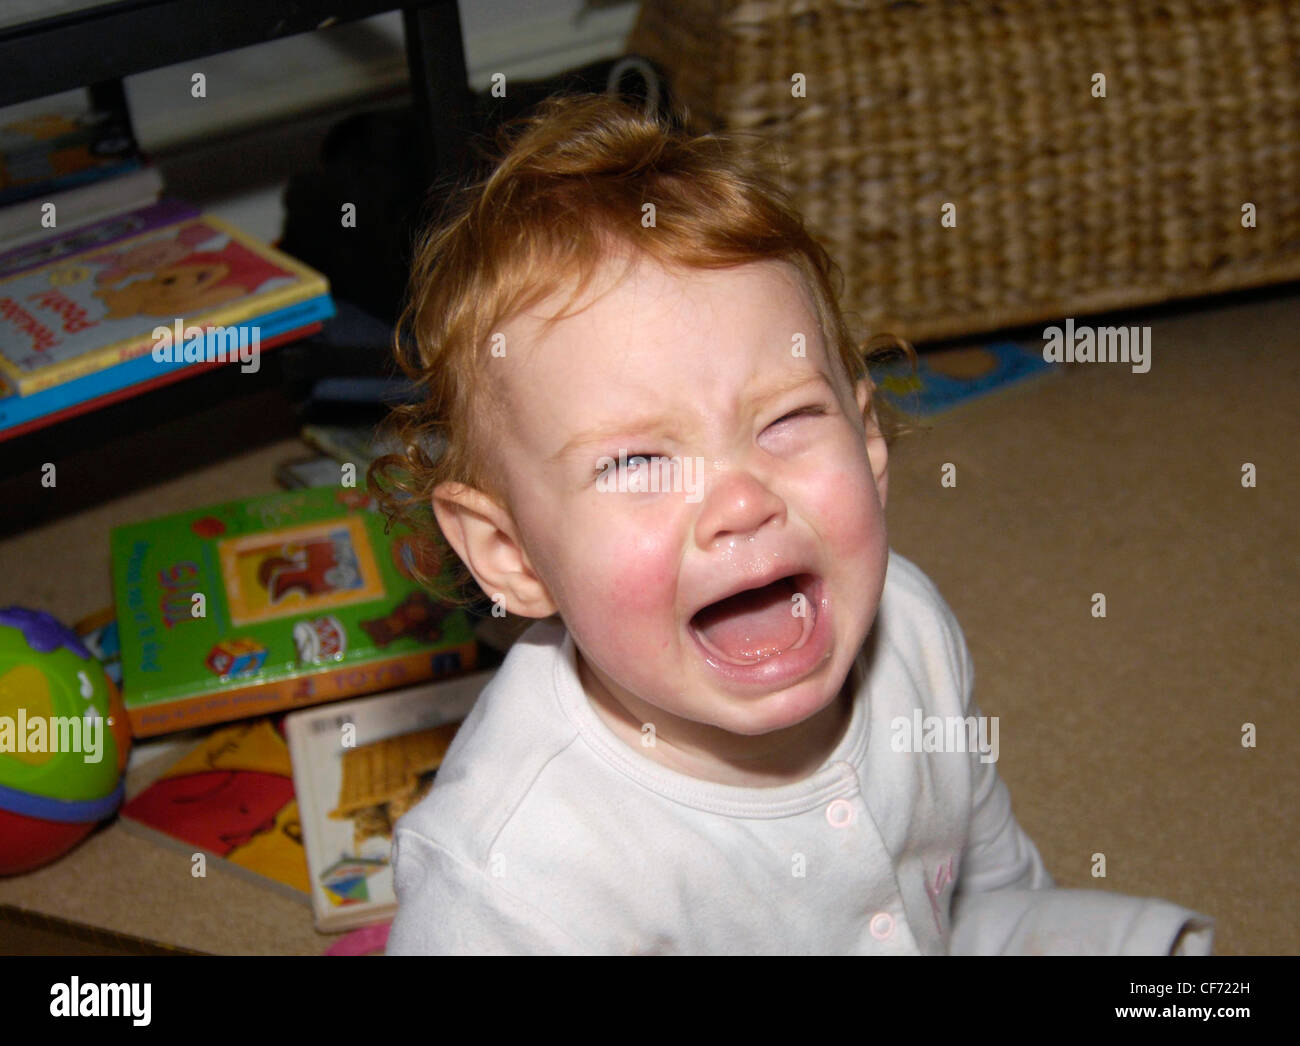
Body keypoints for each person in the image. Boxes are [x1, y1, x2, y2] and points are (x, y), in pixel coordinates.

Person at [372, 92, 1213, 955]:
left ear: (869, 441)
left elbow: (988, 879)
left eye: (786, 421)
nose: (741, 501)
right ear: (509, 554)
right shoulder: (511, 879)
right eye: (636, 462)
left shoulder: (909, 626)